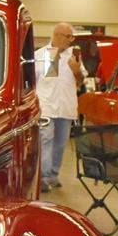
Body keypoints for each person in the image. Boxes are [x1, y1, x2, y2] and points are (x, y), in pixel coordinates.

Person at [35, 22, 84, 192]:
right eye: (67, 36)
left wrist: (76, 70)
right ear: (57, 35)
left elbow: (81, 82)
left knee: (60, 143)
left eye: (72, 37)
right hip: (46, 105)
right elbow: (35, 80)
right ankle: (43, 177)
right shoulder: (40, 55)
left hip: (66, 106)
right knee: (45, 140)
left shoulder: (74, 57)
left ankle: (54, 175)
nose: (71, 40)